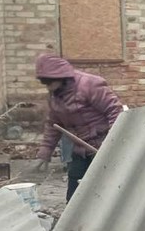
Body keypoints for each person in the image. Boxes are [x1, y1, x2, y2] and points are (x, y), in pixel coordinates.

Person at [34, 52, 123, 201]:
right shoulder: (55, 96)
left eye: (49, 82)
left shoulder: (89, 85)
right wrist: (45, 152)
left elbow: (115, 110)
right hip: (79, 149)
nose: (48, 87)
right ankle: (73, 223)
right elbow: (52, 124)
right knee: (75, 194)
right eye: (45, 84)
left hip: (102, 146)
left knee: (105, 192)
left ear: (60, 77)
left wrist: (112, 141)